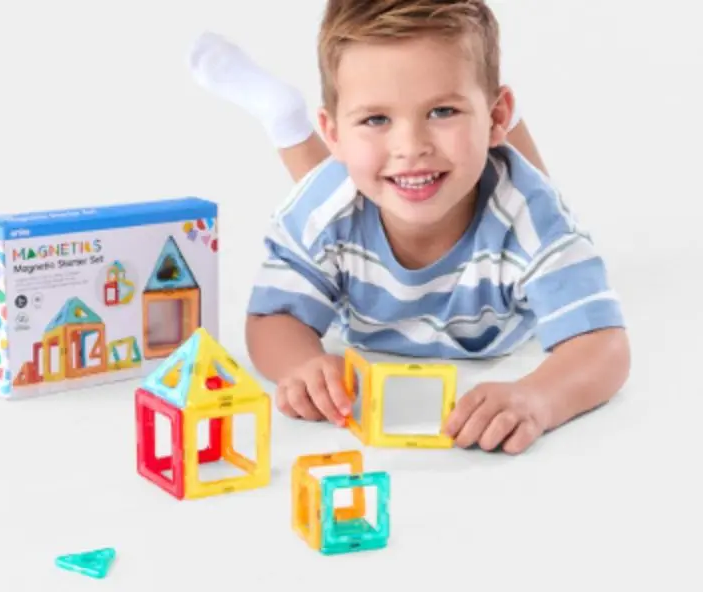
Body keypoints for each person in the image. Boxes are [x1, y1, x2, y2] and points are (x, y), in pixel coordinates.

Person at [188, 0, 630, 455]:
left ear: (498, 116)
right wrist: (302, 365)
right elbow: (273, 317)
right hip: (350, 200)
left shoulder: (528, 221)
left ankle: (457, 123)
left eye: (442, 111)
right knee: (346, 191)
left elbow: (604, 345)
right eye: (376, 118)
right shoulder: (327, 212)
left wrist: (537, 397)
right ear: (331, 133)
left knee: (526, 184)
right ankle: (287, 120)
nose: (410, 145)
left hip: (497, 212)